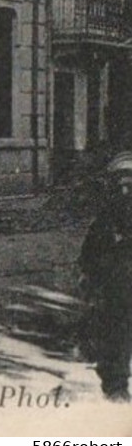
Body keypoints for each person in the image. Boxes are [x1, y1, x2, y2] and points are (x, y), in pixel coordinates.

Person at [82, 150, 132, 402]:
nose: (125, 191)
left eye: (130, 184)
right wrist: (91, 279)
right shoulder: (104, 222)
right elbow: (89, 255)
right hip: (116, 286)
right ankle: (116, 384)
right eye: (120, 184)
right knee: (117, 330)